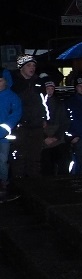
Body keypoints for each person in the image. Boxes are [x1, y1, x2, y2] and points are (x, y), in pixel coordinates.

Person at [10, 53, 43, 181]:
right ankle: (18, 184)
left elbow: (43, 102)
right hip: (20, 126)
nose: (32, 68)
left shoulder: (38, 82)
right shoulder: (14, 84)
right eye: (29, 65)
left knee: (35, 158)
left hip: (36, 125)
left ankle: (35, 185)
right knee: (19, 157)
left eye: (34, 65)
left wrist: (44, 118)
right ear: (21, 67)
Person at [38, 76, 71, 176]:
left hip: (58, 139)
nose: (50, 91)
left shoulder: (59, 104)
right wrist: (44, 138)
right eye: (48, 88)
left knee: (63, 162)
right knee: (46, 166)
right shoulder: (37, 104)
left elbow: (65, 122)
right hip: (42, 141)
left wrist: (56, 137)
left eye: (52, 88)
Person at [0, 69, 21, 201]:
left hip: (4, 138)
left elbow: (16, 114)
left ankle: (3, 186)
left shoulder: (12, 97)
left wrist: (3, 130)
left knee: (2, 161)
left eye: (0, 80)